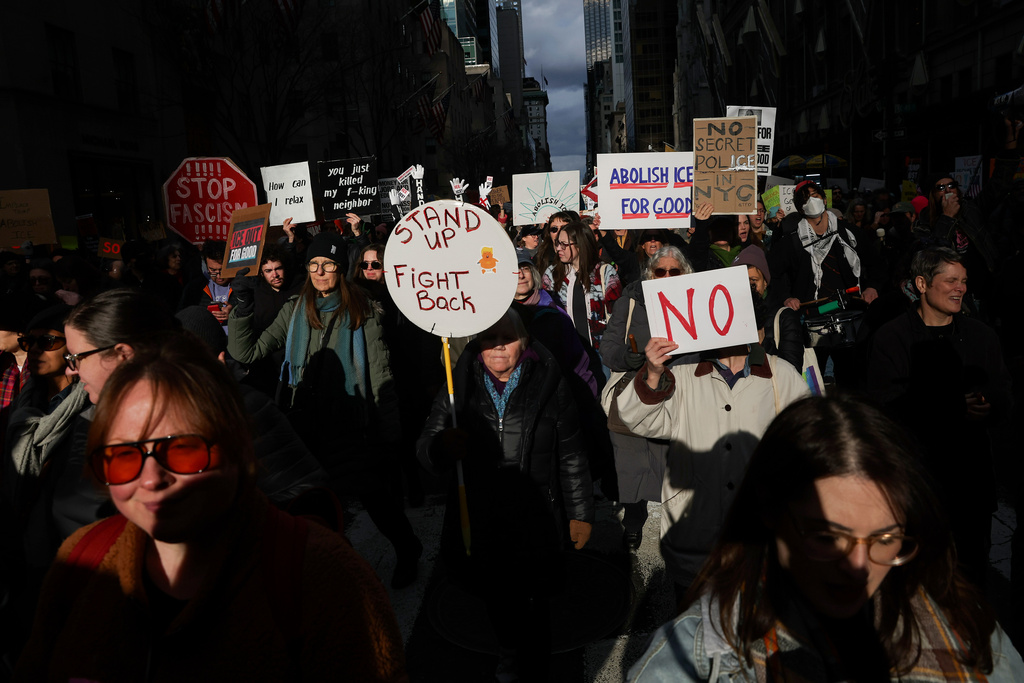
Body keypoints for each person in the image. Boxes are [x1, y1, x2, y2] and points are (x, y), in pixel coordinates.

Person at [15, 333, 409, 681]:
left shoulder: (322, 577)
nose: (151, 480)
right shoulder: (82, 559)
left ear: (237, 450)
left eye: (183, 449)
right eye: (121, 456)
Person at [628, 395, 1023, 682]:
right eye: (828, 537)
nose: (858, 567)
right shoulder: (693, 661)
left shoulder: (967, 625)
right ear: (769, 513)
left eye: (886, 537)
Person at [228, 232, 422, 588]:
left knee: (373, 496)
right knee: (319, 504)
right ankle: (338, 574)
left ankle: (408, 548)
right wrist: (242, 308)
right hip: (304, 423)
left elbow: (379, 373)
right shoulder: (295, 308)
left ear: (340, 269)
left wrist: (389, 429)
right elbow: (247, 353)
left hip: (350, 422)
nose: (319, 272)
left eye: (328, 265)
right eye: (313, 264)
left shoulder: (363, 308)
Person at [417, 309, 594, 681]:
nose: (498, 346)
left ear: (524, 341)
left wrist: (580, 512)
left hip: (537, 517)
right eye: (488, 339)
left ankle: (535, 663)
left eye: (508, 337)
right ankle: (508, 649)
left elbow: (572, 452)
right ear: (478, 346)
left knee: (537, 601)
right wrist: (441, 448)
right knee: (497, 597)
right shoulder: (458, 384)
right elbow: (425, 450)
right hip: (483, 521)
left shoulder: (549, 380)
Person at [616, 313, 809, 597]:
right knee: (691, 631)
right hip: (693, 534)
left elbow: (808, 442)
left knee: (752, 630)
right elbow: (637, 419)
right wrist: (654, 373)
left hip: (758, 538)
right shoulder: (682, 371)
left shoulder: (782, 375)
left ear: (759, 332)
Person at [866, 247, 1011, 587]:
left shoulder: (981, 336)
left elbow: (1005, 394)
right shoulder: (891, 339)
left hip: (972, 484)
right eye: (950, 281)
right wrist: (951, 407)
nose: (959, 288)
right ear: (921, 283)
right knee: (921, 583)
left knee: (971, 578)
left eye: (963, 281)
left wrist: (991, 404)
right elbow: (883, 410)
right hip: (918, 487)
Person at [602, 245, 695, 551]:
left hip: (681, 389)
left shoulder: (697, 303)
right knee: (632, 459)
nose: (667, 276)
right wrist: (629, 358)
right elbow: (608, 349)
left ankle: (679, 525)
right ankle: (633, 517)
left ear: (685, 274)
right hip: (637, 387)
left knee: (675, 461)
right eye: (660, 271)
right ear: (649, 274)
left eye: (674, 271)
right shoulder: (631, 301)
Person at [542, 219, 621, 351]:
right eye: (557, 243)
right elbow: (546, 314)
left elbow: (618, 316)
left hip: (602, 351)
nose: (558, 248)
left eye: (564, 244)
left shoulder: (605, 272)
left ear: (580, 245)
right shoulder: (552, 274)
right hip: (567, 352)